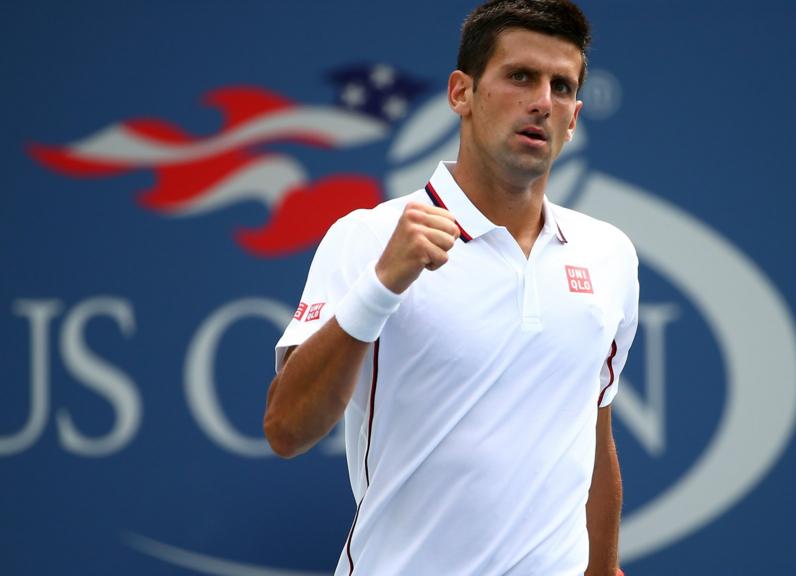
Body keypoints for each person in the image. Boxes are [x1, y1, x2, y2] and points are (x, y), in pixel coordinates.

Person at [263, 1, 637, 574]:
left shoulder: (609, 254)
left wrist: (605, 569)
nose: (542, 101)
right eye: (520, 77)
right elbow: (287, 429)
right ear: (461, 93)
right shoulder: (367, 238)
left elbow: (592, 432)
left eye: (561, 87)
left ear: (575, 117)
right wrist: (382, 285)